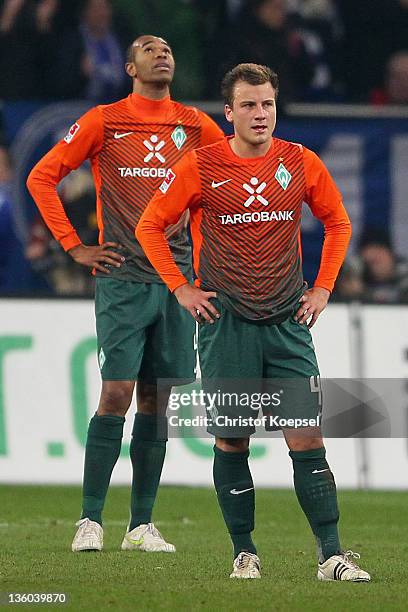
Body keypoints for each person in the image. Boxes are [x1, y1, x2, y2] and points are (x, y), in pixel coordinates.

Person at [136, 63, 371, 581]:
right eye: (248, 105)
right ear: (229, 113)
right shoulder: (201, 165)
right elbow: (150, 225)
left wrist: (325, 286)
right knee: (232, 440)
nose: (260, 114)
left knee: (306, 436)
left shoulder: (300, 162)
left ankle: (330, 555)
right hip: (226, 323)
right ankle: (245, 553)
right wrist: (181, 288)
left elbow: (338, 221)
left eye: (266, 103)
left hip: (288, 322)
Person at [27, 34, 224, 553]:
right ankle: (90, 520)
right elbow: (41, 178)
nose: (163, 53)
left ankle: (141, 525)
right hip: (122, 279)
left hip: (176, 284)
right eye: (149, 48)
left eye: (168, 48)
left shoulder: (197, 126)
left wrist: (201, 269)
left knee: (158, 402)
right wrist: (73, 245)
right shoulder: (104, 120)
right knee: (116, 393)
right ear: (131, 67)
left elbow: (212, 198)